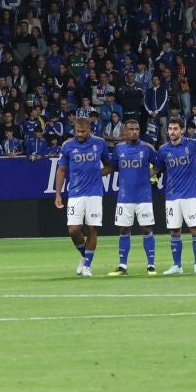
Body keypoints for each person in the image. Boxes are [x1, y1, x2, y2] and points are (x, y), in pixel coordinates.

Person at [53, 114, 112, 277]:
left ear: (89, 130)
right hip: (75, 193)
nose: (79, 134)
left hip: (94, 193)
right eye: (77, 131)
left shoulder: (99, 143)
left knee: (92, 229)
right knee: (73, 230)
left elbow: (109, 165)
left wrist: (98, 174)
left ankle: (87, 266)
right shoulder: (67, 145)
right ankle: (85, 256)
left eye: (83, 131)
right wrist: (58, 194)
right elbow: (61, 170)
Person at [153, 117, 196, 274]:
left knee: (195, 229)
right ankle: (177, 265)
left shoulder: (192, 145)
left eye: (175, 129)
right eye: (170, 129)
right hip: (171, 196)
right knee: (174, 231)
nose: (172, 132)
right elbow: (157, 168)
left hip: (190, 195)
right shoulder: (163, 150)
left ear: (182, 130)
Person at [108, 118, 157, 276]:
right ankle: (123, 266)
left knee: (146, 228)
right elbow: (114, 166)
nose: (134, 132)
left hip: (144, 197)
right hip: (125, 197)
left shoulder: (147, 148)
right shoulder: (118, 149)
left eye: (137, 129)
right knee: (124, 229)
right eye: (131, 129)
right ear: (125, 131)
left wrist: (148, 175)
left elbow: (158, 165)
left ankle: (151, 265)